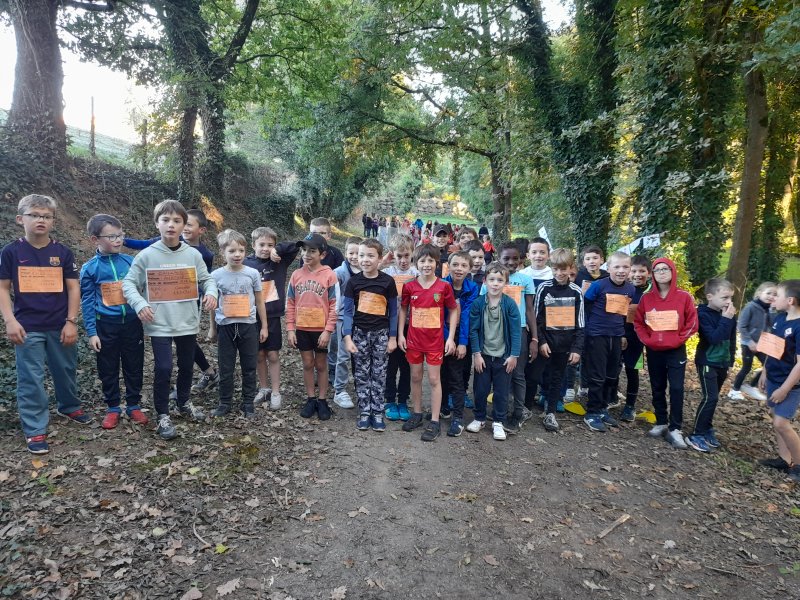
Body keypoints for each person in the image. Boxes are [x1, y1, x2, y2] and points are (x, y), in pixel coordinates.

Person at [122, 200, 218, 440]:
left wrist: (211, 293)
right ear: (157, 223)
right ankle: (162, 414)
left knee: (186, 365)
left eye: (177, 221)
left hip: (187, 321)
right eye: (165, 220)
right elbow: (129, 284)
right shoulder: (146, 255)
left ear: (184, 225)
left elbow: (207, 279)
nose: (171, 225)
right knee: (163, 368)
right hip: (159, 323)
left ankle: (183, 402)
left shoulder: (193, 254)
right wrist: (140, 303)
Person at [0, 195, 87, 454]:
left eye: (47, 216)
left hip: (60, 324)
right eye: (35, 215)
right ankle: (35, 427)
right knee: (31, 378)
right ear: (20, 219)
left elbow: (73, 288)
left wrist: (71, 321)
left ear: (53, 221)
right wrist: (10, 320)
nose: (41, 220)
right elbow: (3, 288)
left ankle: (69, 406)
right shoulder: (10, 252)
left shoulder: (62, 253)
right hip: (27, 326)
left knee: (65, 369)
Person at [80, 214, 146, 430]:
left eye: (120, 235)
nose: (118, 240)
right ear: (95, 239)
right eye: (111, 236)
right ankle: (113, 407)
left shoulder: (131, 262)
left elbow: (144, 288)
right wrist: (92, 332)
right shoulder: (89, 268)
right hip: (105, 326)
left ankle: (134, 404)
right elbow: (87, 302)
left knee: (134, 364)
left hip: (132, 323)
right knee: (108, 367)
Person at [633, 257, 698, 448]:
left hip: (676, 350)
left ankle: (675, 427)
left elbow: (692, 322)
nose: (661, 273)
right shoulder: (647, 298)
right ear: (652, 274)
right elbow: (638, 322)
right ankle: (661, 421)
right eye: (657, 270)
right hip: (654, 350)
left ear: (672, 271)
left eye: (665, 269)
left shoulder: (684, 297)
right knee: (657, 386)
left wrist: (678, 339)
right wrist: (648, 340)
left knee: (676, 387)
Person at [205, 230, 268, 418]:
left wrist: (264, 326)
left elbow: (259, 301)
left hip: (248, 326)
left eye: (241, 250)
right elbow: (213, 305)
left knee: (249, 367)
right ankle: (224, 402)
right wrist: (212, 328)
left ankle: (248, 403)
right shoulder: (215, 276)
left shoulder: (252, 273)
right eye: (232, 251)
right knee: (226, 367)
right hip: (225, 327)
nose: (237, 254)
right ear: (222, 252)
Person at [398, 244, 458, 442]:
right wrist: (400, 335)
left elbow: (453, 310)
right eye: (422, 261)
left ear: (437, 263)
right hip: (414, 341)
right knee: (415, 377)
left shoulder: (444, 286)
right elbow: (403, 309)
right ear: (416, 263)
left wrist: (450, 338)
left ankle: (434, 420)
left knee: (433, 379)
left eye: (430, 261)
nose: (426, 264)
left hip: (435, 342)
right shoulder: (409, 286)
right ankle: (416, 413)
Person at [342, 238, 398, 432]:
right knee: (362, 373)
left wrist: (392, 337)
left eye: (370, 256)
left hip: (381, 334)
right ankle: (365, 411)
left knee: (379, 373)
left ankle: (377, 411)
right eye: (361, 255)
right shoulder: (353, 282)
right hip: (359, 334)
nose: (365, 259)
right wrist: (347, 336)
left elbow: (393, 312)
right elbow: (347, 312)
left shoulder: (387, 282)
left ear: (380, 258)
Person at [482, 241, 537, 432]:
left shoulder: (525, 280)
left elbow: (529, 310)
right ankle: (500, 411)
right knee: (498, 371)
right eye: (506, 258)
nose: (511, 262)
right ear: (498, 258)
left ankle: (518, 413)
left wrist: (534, 338)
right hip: (494, 331)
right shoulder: (490, 279)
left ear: (521, 259)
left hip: (518, 331)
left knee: (517, 373)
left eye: (515, 258)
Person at [245, 227, 300, 410]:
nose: (265, 248)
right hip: (252, 316)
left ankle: (276, 391)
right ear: (253, 245)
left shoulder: (279, 261)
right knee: (259, 354)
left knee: (273, 354)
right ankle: (264, 388)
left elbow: (295, 246)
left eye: (270, 245)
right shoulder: (246, 263)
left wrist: (278, 249)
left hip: (273, 315)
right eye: (261, 244)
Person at [530, 249, 584, 432]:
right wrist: (541, 341)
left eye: (563, 269)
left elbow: (580, 323)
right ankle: (525, 408)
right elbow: (536, 318)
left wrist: (576, 349)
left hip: (564, 345)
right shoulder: (543, 288)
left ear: (571, 268)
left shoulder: (576, 291)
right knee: (534, 375)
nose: (559, 273)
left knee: (557, 378)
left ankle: (551, 412)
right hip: (545, 343)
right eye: (555, 269)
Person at [466, 262, 521, 440]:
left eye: (499, 280)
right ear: (485, 281)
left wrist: (514, 355)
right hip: (483, 356)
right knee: (480, 389)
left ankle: (498, 422)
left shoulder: (510, 304)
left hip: (504, 357)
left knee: (501, 392)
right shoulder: (478, 303)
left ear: (506, 283)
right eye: (492, 279)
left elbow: (516, 331)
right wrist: (476, 354)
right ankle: (479, 418)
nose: (495, 283)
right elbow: (473, 330)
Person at [582, 252, 635, 433]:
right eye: (617, 267)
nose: (621, 271)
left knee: (611, 375)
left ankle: (603, 408)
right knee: (597, 375)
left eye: (625, 267)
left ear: (630, 269)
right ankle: (592, 412)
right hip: (597, 336)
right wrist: (588, 330)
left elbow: (624, 314)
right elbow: (585, 305)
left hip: (616, 336)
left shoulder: (630, 289)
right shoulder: (598, 285)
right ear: (608, 268)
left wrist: (623, 335)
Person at [287, 234, 338, 420]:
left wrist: (328, 330)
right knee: (308, 363)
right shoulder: (296, 275)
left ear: (322, 254)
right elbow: (290, 302)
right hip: (302, 328)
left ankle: (322, 400)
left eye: (312, 251)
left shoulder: (330, 275)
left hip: (321, 330)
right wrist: (290, 328)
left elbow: (335, 305)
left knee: (321, 364)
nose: (306, 254)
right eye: (304, 250)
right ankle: (310, 399)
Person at [685, 278, 737, 452]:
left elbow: (731, 339)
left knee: (714, 398)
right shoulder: (702, 314)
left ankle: (707, 428)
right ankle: (696, 434)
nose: (729, 302)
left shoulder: (729, 314)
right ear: (710, 297)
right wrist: (726, 319)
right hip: (707, 361)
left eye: (731, 298)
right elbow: (714, 338)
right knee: (710, 397)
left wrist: (730, 361)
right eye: (724, 298)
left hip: (722, 362)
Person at [757, 280, 800, 481]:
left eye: (778, 295)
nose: (774, 298)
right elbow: (771, 348)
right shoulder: (779, 318)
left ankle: (798, 464)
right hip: (773, 378)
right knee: (775, 418)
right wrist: (764, 372)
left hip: (791, 384)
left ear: (790, 300)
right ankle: (784, 459)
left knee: (781, 423)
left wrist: (784, 389)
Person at [440, 251, 479, 436]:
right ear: (448, 266)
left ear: (469, 269)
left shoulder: (472, 288)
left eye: (464, 266)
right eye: (455, 265)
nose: (459, 269)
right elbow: (439, 315)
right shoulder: (441, 284)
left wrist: (462, 342)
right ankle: (442, 407)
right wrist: (446, 338)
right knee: (441, 373)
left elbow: (466, 315)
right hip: (442, 335)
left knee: (457, 376)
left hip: (461, 335)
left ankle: (458, 417)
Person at [382, 234, 418, 421]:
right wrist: (383, 261)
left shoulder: (417, 273)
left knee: (406, 365)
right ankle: (389, 400)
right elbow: (366, 271)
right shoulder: (388, 272)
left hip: (411, 326)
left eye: (407, 256)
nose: (403, 260)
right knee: (390, 364)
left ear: (413, 254)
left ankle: (403, 400)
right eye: (399, 256)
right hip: (390, 325)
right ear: (392, 254)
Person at [730, 282, 776, 401]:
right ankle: (734, 390)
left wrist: (772, 310)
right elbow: (741, 325)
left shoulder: (769, 309)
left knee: (768, 365)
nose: (771, 296)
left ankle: (752, 386)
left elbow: (772, 324)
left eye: (774, 294)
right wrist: (749, 341)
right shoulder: (751, 307)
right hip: (748, 344)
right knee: (746, 367)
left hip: (762, 344)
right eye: (768, 293)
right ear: (759, 293)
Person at [618, 255, 651, 422]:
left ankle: (630, 406)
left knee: (632, 371)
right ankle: (611, 397)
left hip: (638, 340)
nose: (638, 275)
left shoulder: (651, 293)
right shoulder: (623, 289)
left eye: (642, 271)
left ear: (649, 273)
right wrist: (621, 334)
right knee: (613, 368)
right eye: (634, 271)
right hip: (620, 335)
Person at [331, 236, 362, 409]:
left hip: (362, 319)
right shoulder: (339, 273)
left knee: (360, 355)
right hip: (343, 319)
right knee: (342, 356)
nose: (354, 257)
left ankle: (361, 387)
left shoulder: (366, 271)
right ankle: (339, 390)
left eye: (358, 253)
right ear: (345, 253)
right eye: (351, 253)